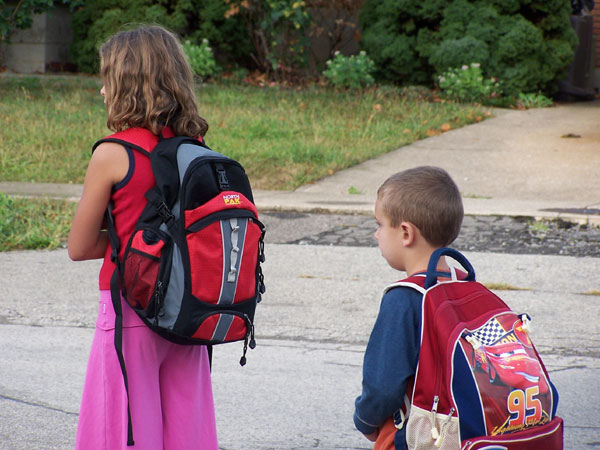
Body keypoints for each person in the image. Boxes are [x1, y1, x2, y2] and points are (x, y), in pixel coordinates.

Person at [68, 25, 218, 449]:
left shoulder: (112, 153)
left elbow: (79, 248)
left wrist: (127, 241)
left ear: (126, 85)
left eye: (106, 79)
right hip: (188, 312)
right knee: (189, 430)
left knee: (124, 430)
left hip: (129, 307)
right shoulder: (196, 148)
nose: (101, 91)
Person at [353, 166, 464, 449]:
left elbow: (382, 386)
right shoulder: (465, 283)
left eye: (379, 225)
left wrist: (365, 422)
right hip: (462, 429)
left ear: (405, 233)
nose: (376, 235)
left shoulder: (404, 298)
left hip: (415, 436)